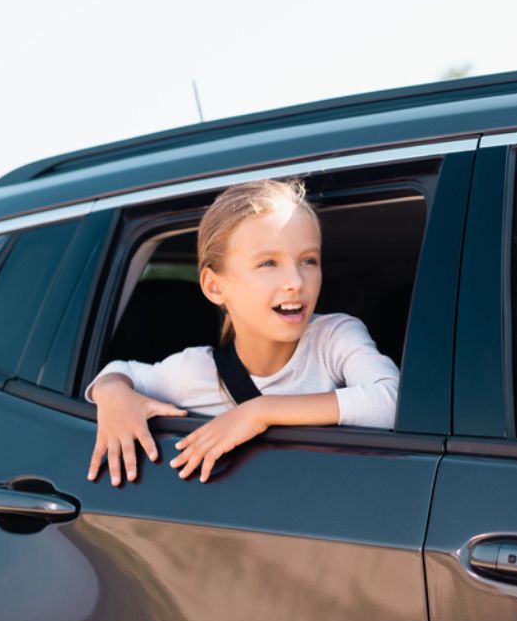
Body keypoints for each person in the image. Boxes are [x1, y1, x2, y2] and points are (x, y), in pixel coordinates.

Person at [85, 178, 399, 485]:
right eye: (268, 263)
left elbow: (392, 402)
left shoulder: (334, 338)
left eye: (308, 260)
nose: (296, 281)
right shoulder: (195, 372)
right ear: (214, 286)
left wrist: (260, 411)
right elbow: (122, 372)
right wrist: (114, 395)